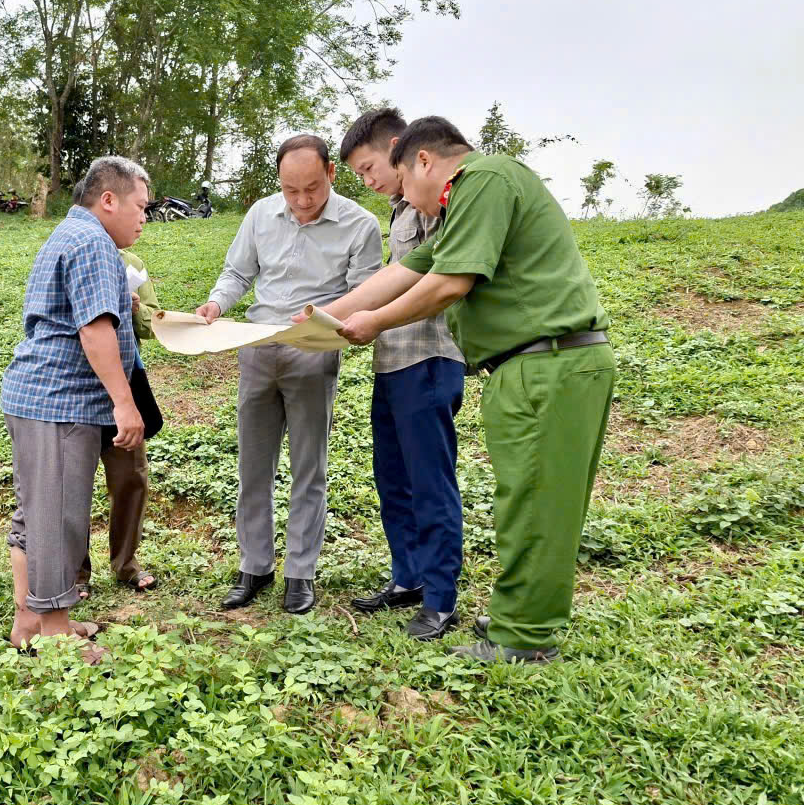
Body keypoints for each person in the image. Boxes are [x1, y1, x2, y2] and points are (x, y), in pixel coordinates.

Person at [304, 116, 614, 663]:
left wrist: (375, 323)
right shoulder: (461, 208)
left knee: (536, 505)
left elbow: (448, 284)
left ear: (423, 160)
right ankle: (524, 614)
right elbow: (401, 274)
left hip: (549, 363)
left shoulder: (484, 180)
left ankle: (524, 637)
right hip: (530, 367)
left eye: (399, 178)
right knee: (530, 500)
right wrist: (315, 318)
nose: (404, 197)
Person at [195, 134, 384, 614]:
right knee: (253, 466)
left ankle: (301, 573)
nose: (301, 200)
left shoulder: (360, 225)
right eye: (290, 189)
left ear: (331, 174)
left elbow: (367, 292)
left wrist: (325, 319)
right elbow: (238, 273)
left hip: (313, 352)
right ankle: (254, 566)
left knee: (308, 467)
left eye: (312, 188)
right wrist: (216, 304)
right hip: (257, 348)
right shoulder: (261, 214)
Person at [0, 155, 151, 660]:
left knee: (35, 513)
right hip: (60, 402)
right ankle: (55, 632)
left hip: (36, 398)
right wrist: (125, 405)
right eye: (140, 206)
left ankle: (28, 621)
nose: (144, 217)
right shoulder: (92, 243)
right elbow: (94, 329)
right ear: (108, 200)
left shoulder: (71, 234)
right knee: (57, 517)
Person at [338, 108, 467, 641]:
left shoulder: (438, 202)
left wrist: (370, 317)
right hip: (391, 360)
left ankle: (439, 597)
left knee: (429, 480)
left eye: (369, 169)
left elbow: (434, 279)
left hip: (429, 358)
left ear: (400, 150)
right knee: (393, 477)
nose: (368, 182)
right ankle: (408, 576)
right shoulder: (398, 212)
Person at [74, 248, 160, 598]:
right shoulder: (75, 255)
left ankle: (126, 564)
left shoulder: (133, 263)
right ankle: (75, 573)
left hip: (124, 383)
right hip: (77, 386)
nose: (142, 222)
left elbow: (152, 323)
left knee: (130, 477)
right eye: (136, 216)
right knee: (73, 483)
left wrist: (136, 310)